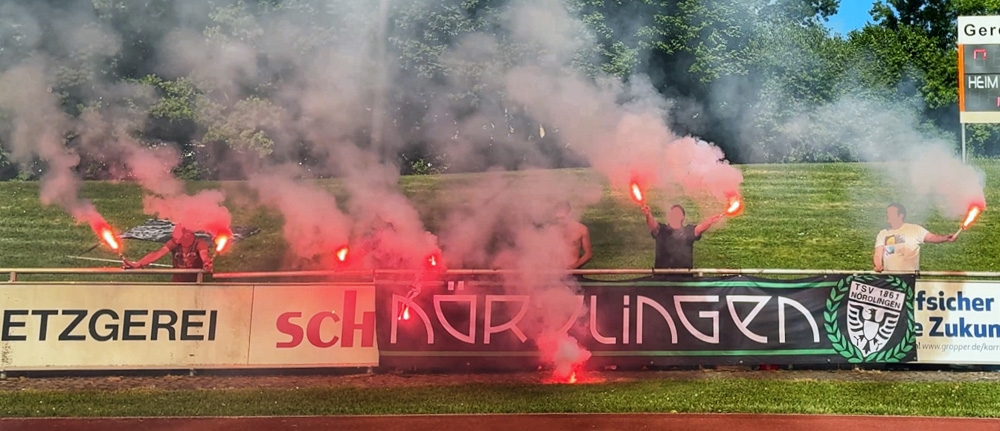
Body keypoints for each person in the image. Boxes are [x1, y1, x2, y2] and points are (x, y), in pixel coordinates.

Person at [874, 203, 956, 272]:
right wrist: (878, 265)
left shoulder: (914, 229)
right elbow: (878, 254)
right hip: (890, 277)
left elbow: (932, 237)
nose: (887, 215)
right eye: (887, 213)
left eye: (891, 213)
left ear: (900, 215)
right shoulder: (883, 233)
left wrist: (945, 238)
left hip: (910, 277)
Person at [642, 204, 723, 270]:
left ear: (682, 217)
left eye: (677, 213)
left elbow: (699, 229)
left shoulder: (688, 231)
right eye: (672, 213)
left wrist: (710, 221)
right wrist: (648, 214)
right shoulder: (662, 230)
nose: (674, 215)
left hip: (684, 278)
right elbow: (653, 225)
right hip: (662, 279)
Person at [125, 224, 213, 282]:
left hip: (195, 283)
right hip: (177, 284)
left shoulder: (199, 243)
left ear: (188, 235)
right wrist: (138, 264)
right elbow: (158, 253)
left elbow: (204, 255)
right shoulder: (174, 242)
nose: (176, 241)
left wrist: (206, 263)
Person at [554, 202, 592, 269]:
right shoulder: (553, 230)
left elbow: (588, 254)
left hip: (574, 270)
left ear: (569, 215)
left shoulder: (581, 229)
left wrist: (572, 267)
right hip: (556, 270)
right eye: (557, 219)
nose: (560, 221)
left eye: (562, 218)